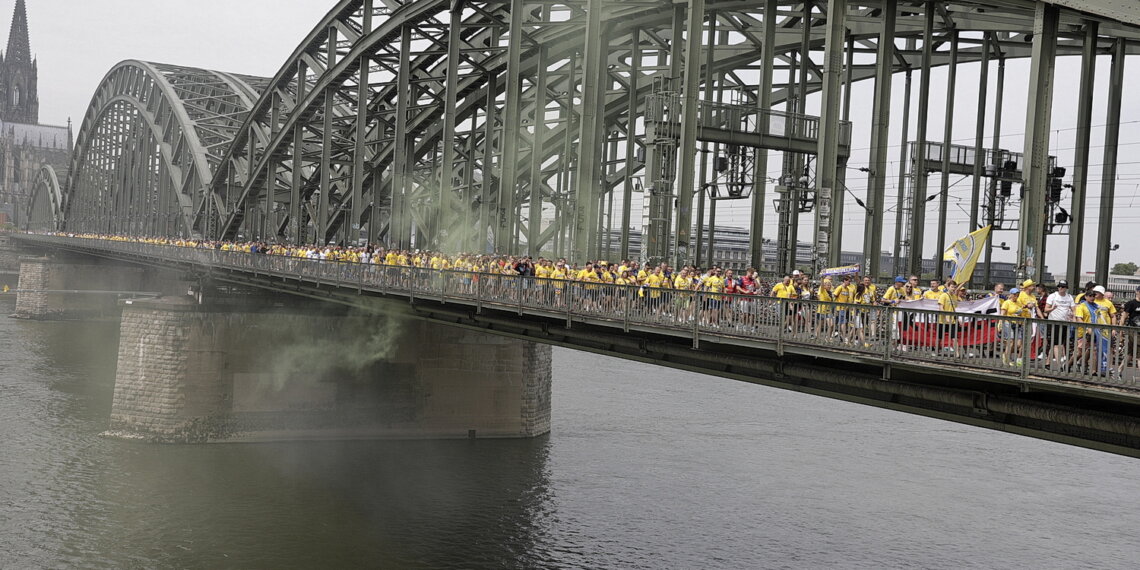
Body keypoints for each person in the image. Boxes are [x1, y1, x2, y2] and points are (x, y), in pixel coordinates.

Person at [1044, 281, 1075, 369]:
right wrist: (1052, 308)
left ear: (1066, 288)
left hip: (1064, 322)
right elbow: (1046, 309)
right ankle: (1059, 365)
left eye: (1063, 287)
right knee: (1057, 344)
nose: (1061, 288)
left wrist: (1073, 317)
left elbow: (1073, 309)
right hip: (1054, 322)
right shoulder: (1053, 296)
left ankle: (1047, 363)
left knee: (1056, 343)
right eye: (1059, 286)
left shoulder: (1069, 297)